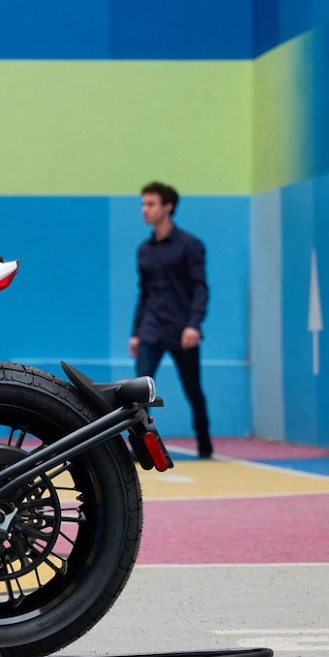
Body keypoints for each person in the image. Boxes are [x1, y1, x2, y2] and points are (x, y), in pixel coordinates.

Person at [129, 181, 212, 459]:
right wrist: (136, 333)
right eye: (143, 204)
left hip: (182, 331)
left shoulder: (190, 245)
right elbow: (144, 294)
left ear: (168, 207)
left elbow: (200, 289)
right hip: (151, 330)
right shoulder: (144, 250)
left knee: (193, 390)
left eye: (151, 204)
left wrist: (194, 325)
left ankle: (205, 446)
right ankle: (142, 449)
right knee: (139, 392)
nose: (145, 209)